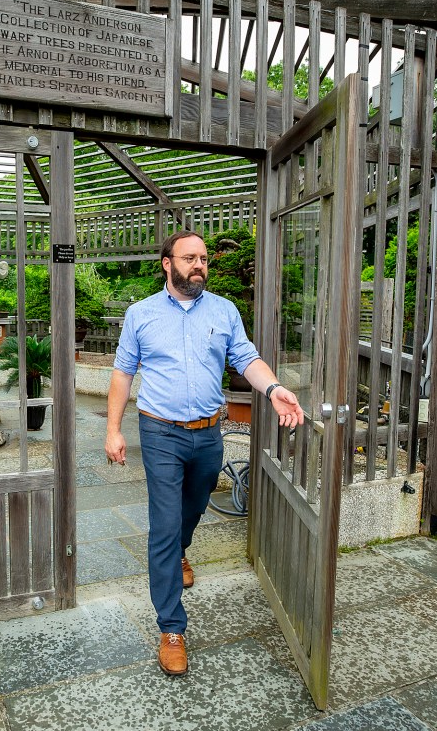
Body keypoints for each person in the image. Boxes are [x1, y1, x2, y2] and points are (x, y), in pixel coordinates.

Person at [104, 230, 304, 677]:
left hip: (209, 433)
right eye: (190, 258)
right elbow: (122, 374)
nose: (199, 265)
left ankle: (181, 551)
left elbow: (246, 358)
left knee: (192, 510)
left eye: (204, 259)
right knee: (164, 523)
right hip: (160, 432)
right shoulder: (141, 314)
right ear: (167, 263)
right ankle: (172, 628)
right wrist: (113, 429)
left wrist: (273, 389)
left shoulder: (224, 311)